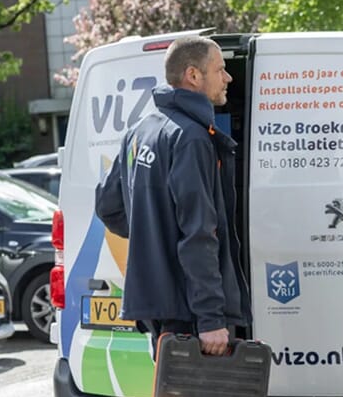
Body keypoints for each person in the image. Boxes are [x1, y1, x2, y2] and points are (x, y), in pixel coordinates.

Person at [95, 36, 251, 357]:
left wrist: (154, 240)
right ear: (193, 75)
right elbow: (199, 233)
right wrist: (210, 318)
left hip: (156, 303)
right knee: (197, 391)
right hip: (189, 311)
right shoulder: (191, 137)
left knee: (169, 389)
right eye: (220, 69)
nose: (227, 78)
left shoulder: (140, 131)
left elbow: (108, 207)